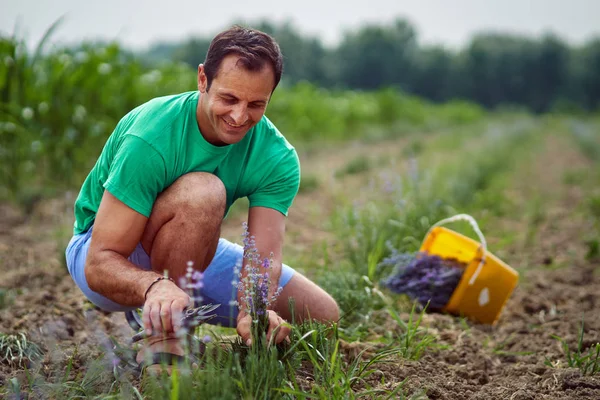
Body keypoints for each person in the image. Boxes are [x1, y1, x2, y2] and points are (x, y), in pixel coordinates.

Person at [64, 25, 339, 368]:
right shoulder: (151, 135)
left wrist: (254, 312)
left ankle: (184, 302)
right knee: (205, 191)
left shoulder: (277, 157)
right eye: (229, 99)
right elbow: (99, 262)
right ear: (202, 80)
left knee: (322, 317)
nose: (240, 116)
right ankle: (166, 337)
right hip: (104, 252)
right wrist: (153, 286)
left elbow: (263, 256)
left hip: (186, 247)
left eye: (256, 104)